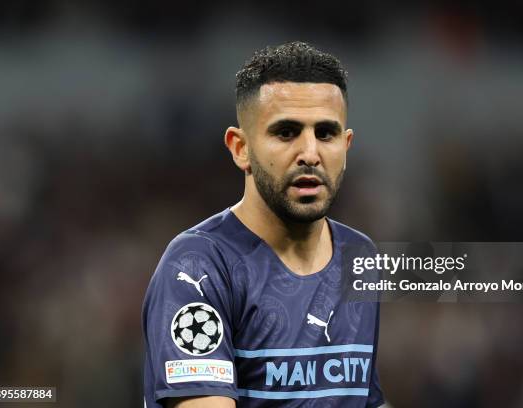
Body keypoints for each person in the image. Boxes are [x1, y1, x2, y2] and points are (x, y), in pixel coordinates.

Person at [142, 41, 386, 408]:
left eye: (326, 133)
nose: (310, 153)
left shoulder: (359, 255)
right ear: (240, 148)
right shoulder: (198, 265)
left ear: (346, 146)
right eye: (286, 132)